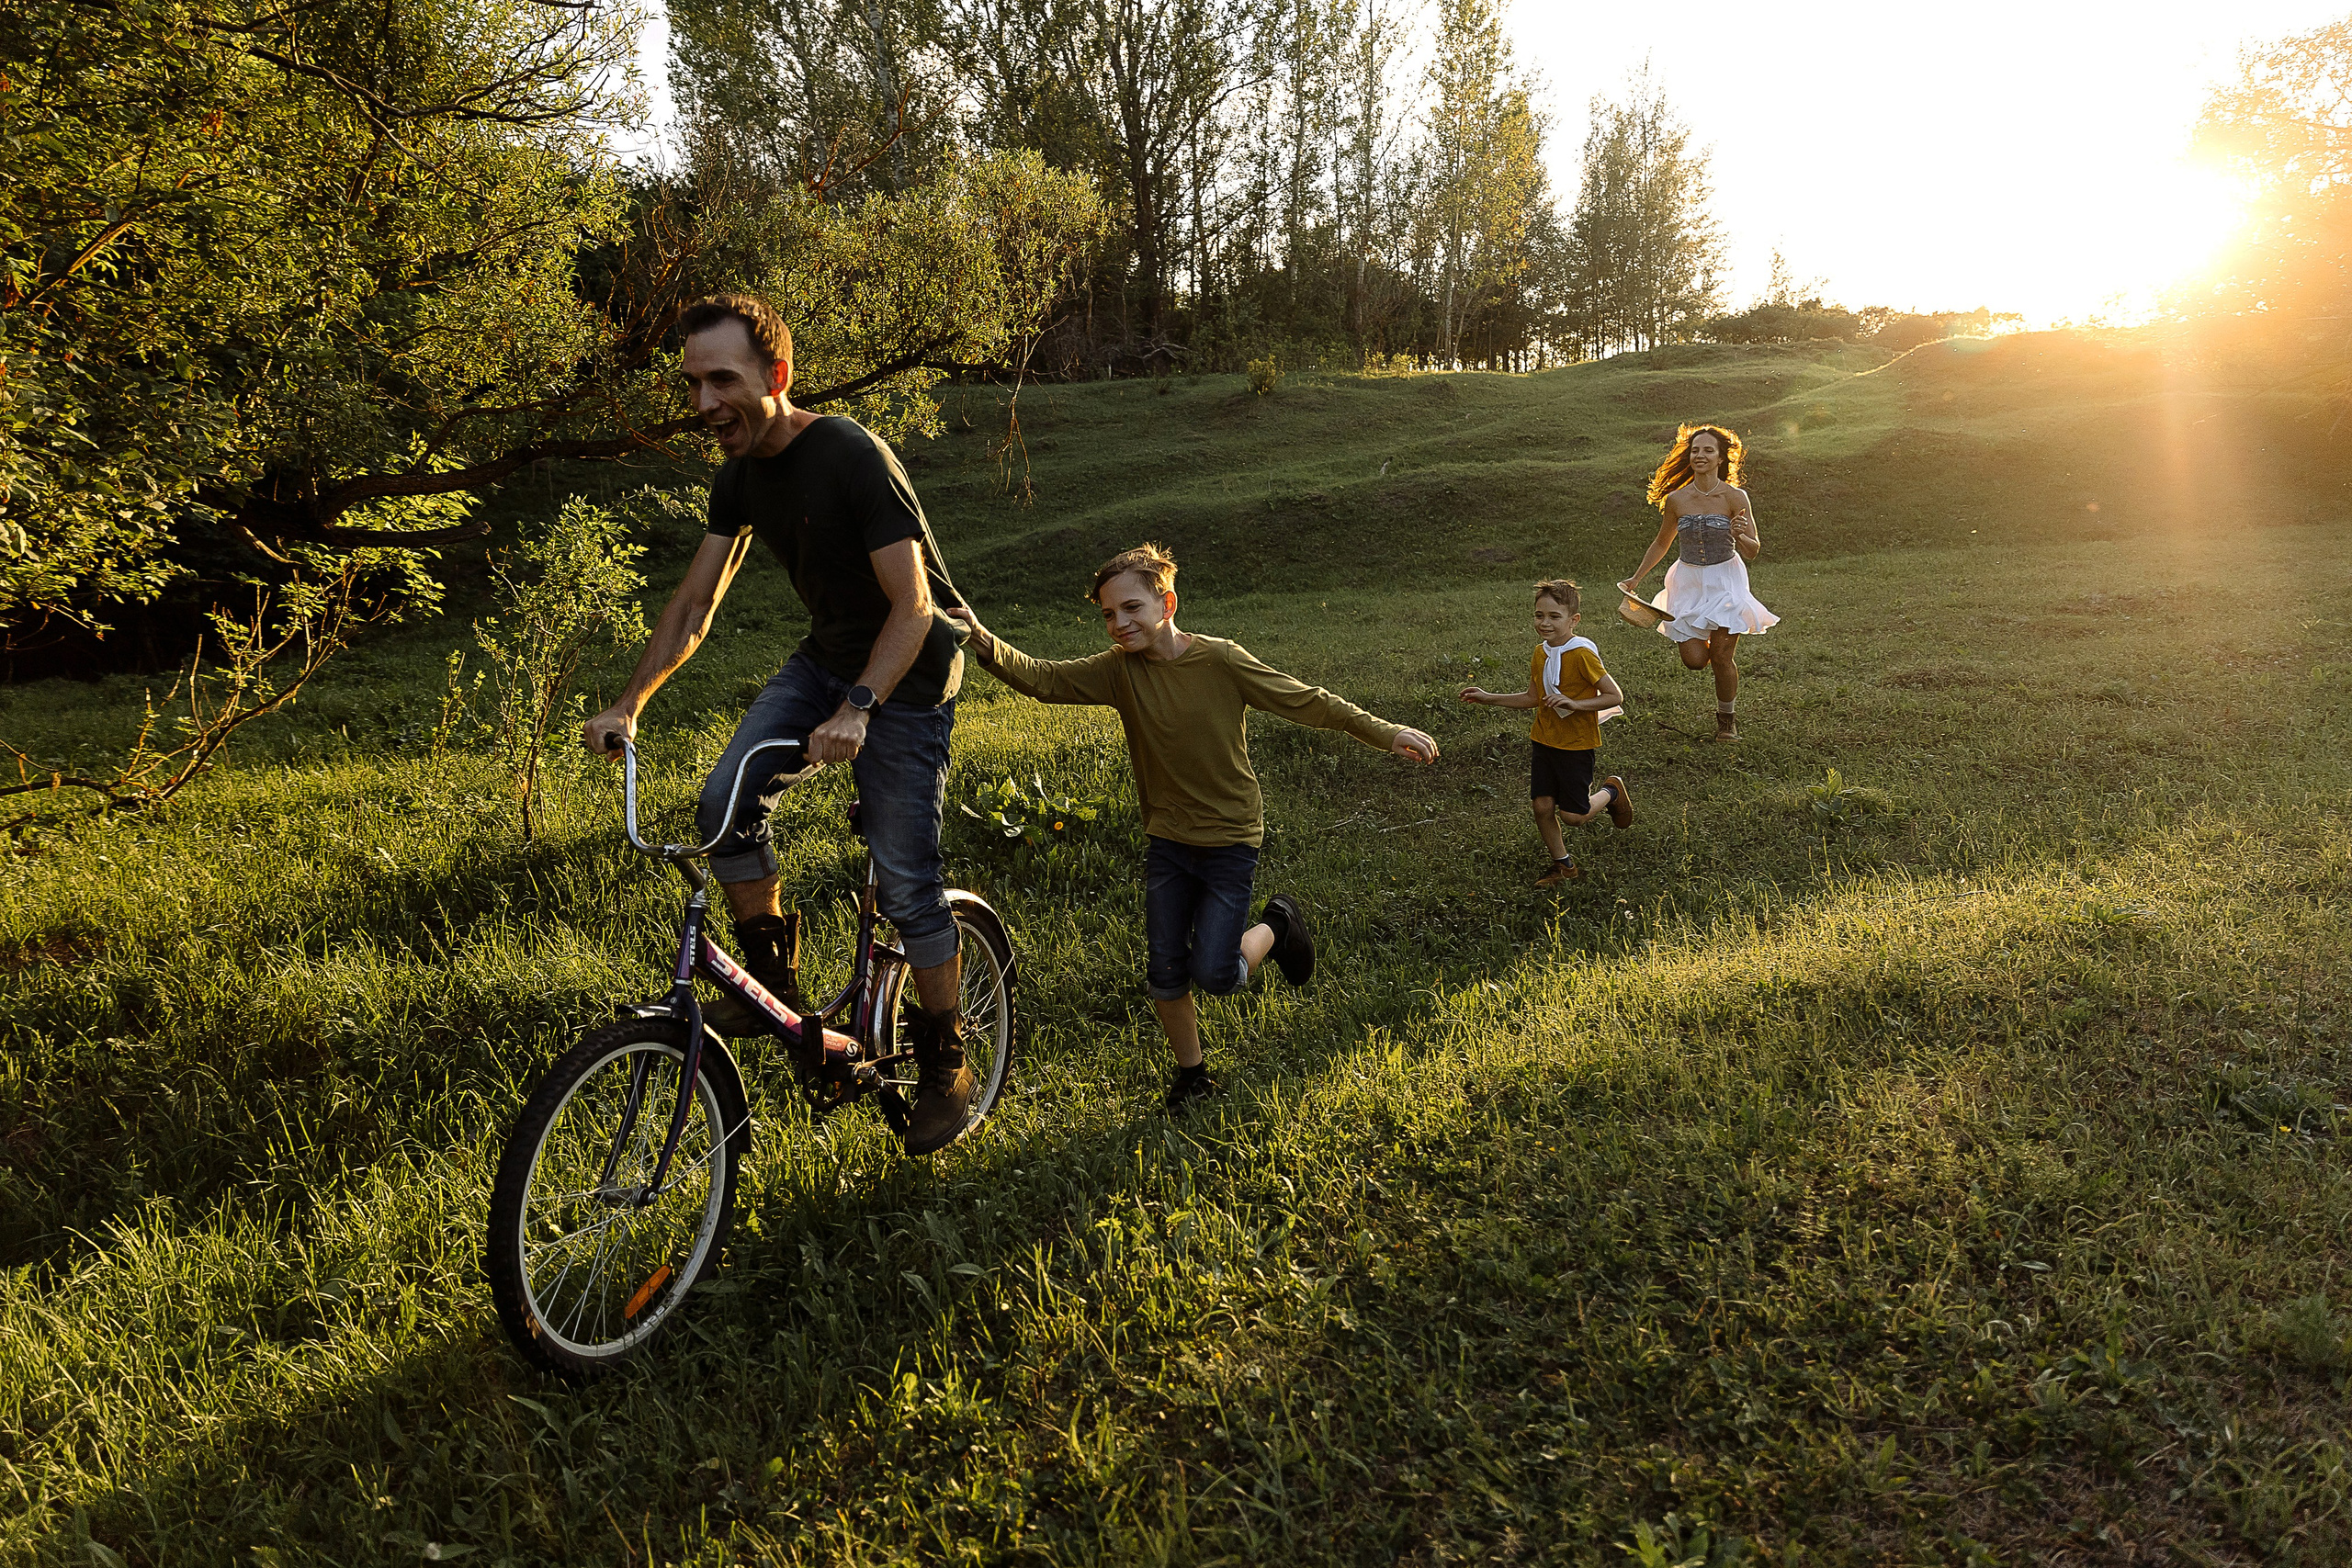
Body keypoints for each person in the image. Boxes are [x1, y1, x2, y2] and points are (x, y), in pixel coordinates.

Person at [581, 292, 976, 1156]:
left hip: (902, 678)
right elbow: (693, 605)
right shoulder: (740, 475)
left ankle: (945, 1059)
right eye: (693, 385)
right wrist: (628, 702)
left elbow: (911, 607)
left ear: (778, 377)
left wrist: (858, 709)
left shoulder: (848, 454)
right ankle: (776, 989)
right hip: (826, 660)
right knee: (722, 805)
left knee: (906, 881)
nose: (704, 404)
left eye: (722, 380)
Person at [945, 544, 1438, 1112]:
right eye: (1108, 615)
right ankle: (1193, 1075)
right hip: (1168, 840)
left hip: (1230, 837)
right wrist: (983, 639)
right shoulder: (1117, 672)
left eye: (1131, 609)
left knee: (1217, 972)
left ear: (1168, 603)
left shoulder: (1221, 660)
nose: (1120, 624)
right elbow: (1044, 680)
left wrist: (1385, 731)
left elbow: (1309, 703)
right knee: (1165, 968)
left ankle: (1277, 925)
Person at [1459, 579, 1631, 885]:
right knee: (1542, 805)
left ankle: (1612, 792)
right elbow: (1533, 698)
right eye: (1540, 615)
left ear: (1573, 619)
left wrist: (1574, 703)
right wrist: (1488, 697)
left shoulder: (1581, 654)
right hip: (1544, 740)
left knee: (1573, 817)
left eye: (1555, 616)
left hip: (1576, 745)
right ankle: (1564, 866)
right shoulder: (1541, 652)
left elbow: (1614, 696)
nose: (1545, 622)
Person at [1617, 423, 1778, 741]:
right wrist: (1637, 577)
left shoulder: (1735, 497)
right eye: (1695, 450)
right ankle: (1712, 637)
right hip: (1687, 581)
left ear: (1720, 458)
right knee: (1694, 661)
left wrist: (1739, 534)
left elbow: (1753, 550)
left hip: (1725, 580)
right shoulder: (1678, 499)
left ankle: (1726, 721)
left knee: (1721, 657)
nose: (1700, 455)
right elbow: (1662, 543)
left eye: (1708, 450)